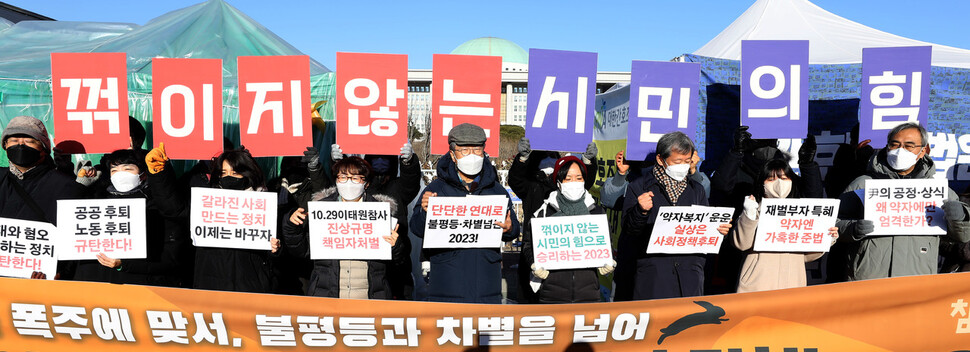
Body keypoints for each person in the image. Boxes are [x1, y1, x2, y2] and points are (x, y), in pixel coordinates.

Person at [836, 122, 970, 280]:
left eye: (909, 145)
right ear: (887, 148)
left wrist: (961, 218)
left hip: (917, 279)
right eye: (895, 144)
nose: (900, 151)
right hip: (868, 278)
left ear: (923, 151)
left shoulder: (937, 191)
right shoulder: (862, 184)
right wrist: (852, 229)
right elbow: (834, 224)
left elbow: (962, 237)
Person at [410, 123, 519, 304]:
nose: (471, 155)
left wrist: (509, 228)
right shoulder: (436, 189)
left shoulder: (497, 191)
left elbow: (513, 229)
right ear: (452, 154)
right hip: (446, 284)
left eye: (477, 150)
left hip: (487, 284)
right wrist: (424, 211)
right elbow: (417, 228)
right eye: (464, 150)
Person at [618, 132, 731, 301]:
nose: (683, 167)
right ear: (660, 159)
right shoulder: (639, 187)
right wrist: (640, 211)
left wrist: (718, 229)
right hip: (655, 276)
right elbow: (629, 231)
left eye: (687, 161)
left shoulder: (696, 189)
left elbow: (703, 230)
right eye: (678, 162)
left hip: (689, 276)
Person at [282, 157, 405, 299]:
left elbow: (399, 262)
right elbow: (302, 251)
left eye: (355, 178)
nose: (348, 182)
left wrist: (396, 246)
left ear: (366, 183)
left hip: (369, 296)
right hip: (327, 295)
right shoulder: (322, 210)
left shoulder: (380, 213)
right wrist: (292, 226)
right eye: (343, 177)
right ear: (336, 180)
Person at [72, 145, 190, 286]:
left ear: (143, 174)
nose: (120, 174)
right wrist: (81, 186)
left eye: (128, 169)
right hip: (98, 286)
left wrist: (126, 264)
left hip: (139, 288)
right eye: (114, 170)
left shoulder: (156, 206)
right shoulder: (97, 203)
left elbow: (170, 257)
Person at [510, 137, 597, 303]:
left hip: (567, 259)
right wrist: (522, 159)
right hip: (535, 256)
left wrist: (587, 161)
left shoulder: (567, 187)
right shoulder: (532, 186)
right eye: (544, 158)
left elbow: (584, 182)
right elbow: (515, 180)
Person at [731, 158, 838, 292]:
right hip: (757, 285)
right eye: (771, 179)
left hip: (792, 284)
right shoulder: (753, 209)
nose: (779, 183)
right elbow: (742, 244)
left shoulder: (800, 214)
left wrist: (826, 238)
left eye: (784, 178)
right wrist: (750, 214)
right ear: (762, 183)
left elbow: (807, 256)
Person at [0, 116, 87, 279]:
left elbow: (75, 239)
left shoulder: (66, 186)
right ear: (5, 145)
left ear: (44, 148)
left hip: (40, 282)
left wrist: (60, 272)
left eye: (29, 141)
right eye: (13, 140)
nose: (20, 145)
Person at [332, 143, 421, 300]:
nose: (380, 162)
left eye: (385, 158)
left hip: (397, 263)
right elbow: (346, 181)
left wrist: (408, 163)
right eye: (376, 158)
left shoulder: (397, 187)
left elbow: (411, 181)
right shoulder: (359, 188)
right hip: (368, 265)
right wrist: (339, 161)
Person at [522, 156, 614, 303]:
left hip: (589, 294)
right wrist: (534, 262)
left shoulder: (596, 212)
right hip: (552, 294)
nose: (574, 183)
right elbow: (528, 244)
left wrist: (609, 261)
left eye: (578, 178)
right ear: (559, 183)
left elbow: (607, 243)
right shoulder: (544, 212)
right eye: (568, 178)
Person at [192, 149, 281, 292]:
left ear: (247, 173)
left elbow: (278, 257)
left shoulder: (264, 207)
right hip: (212, 287)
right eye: (223, 173)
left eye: (235, 173)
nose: (229, 177)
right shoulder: (206, 206)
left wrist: (274, 250)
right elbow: (173, 207)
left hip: (251, 288)